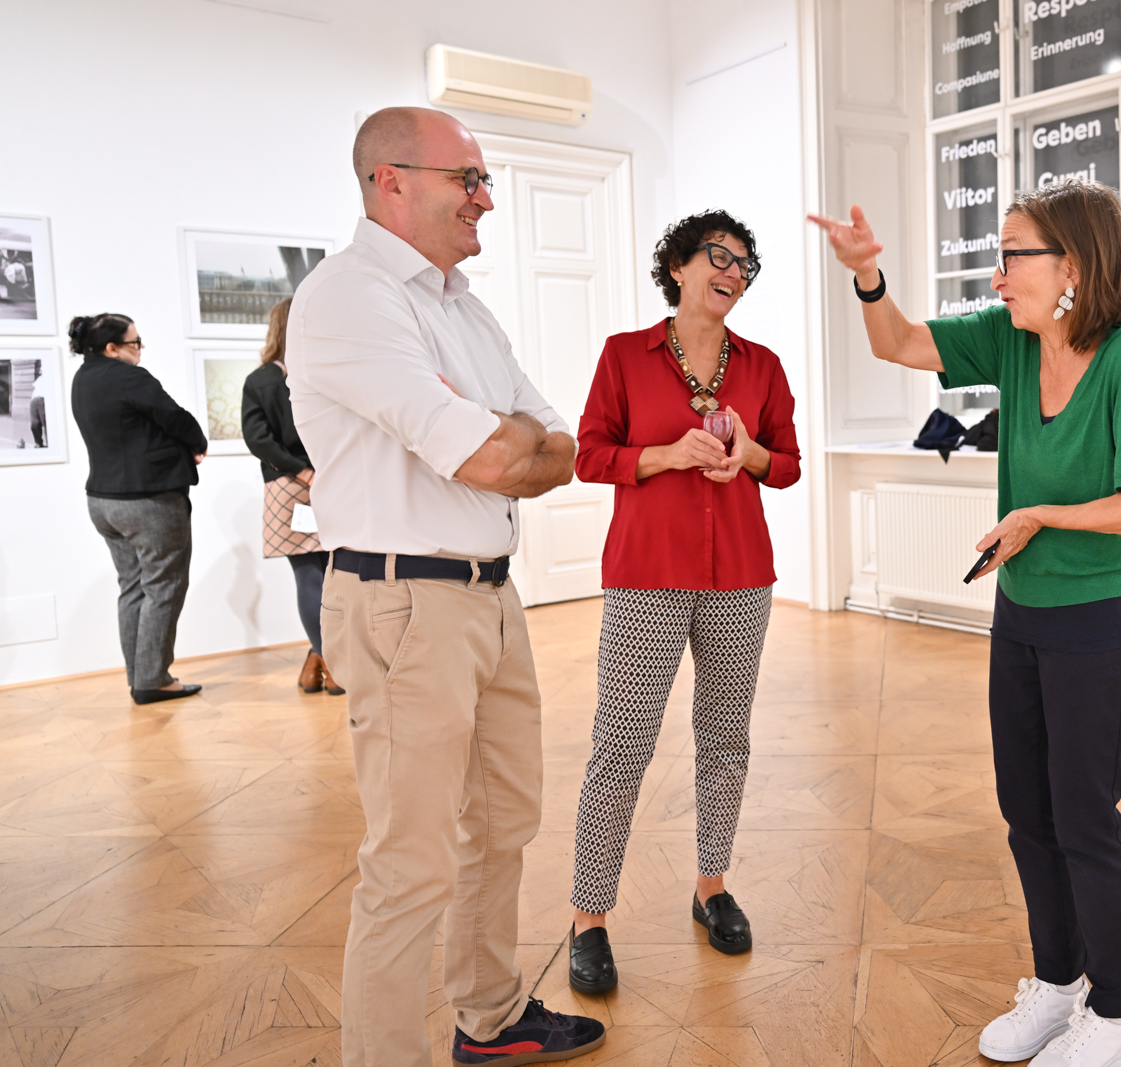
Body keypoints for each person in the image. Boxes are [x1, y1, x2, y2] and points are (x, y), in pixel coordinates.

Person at [810, 181, 1121, 1067]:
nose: (998, 272)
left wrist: (1043, 514)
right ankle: (1059, 983)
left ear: (1073, 266)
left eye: (1014, 254)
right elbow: (899, 341)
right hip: (1022, 612)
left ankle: (1118, 1014)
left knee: (1084, 814)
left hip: (1099, 614)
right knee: (1026, 810)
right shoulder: (1011, 338)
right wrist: (866, 276)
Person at [287, 107, 605, 1067]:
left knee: (504, 822)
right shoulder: (348, 298)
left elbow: (559, 444)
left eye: (484, 179)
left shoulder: (463, 306)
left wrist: (507, 436)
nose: (486, 199)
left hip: (491, 598)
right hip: (404, 603)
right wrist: (502, 437)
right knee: (409, 862)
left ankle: (490, 1016)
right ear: (390, 180)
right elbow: (492, 456)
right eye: (467, 179)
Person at [566, 210, 801, 994]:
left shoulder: (762, 366)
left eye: (744, 264)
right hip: (646, 576)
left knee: (725, 738)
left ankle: (711, 886)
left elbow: (788, 464)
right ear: (676, 265)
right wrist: (665, 455)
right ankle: (589, 917)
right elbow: (589, 455)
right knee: (621, 744)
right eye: (718, 256)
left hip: (741, 575)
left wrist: (751, 453)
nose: (732, 272)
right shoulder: (623, 356)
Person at [69, 313, 209, 706]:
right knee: (164, 586)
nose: (141, 348)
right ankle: (153, 680)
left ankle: (140, 676)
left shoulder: (83, 378)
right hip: (148, 500)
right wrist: (197, 442)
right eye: (135, 342)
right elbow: (173, 417)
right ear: (112, 348)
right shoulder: (130, 377)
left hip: (103, 500)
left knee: (132, 587)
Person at [241, 297, 341, 695]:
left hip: (288, 486)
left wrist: (299, 471)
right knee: (333, 574)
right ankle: (332, 663)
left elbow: (257, 439)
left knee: (309, 575)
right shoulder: (322, 376)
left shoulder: (260, 380)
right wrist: (312, 471)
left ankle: (321, 662)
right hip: (329, 482)